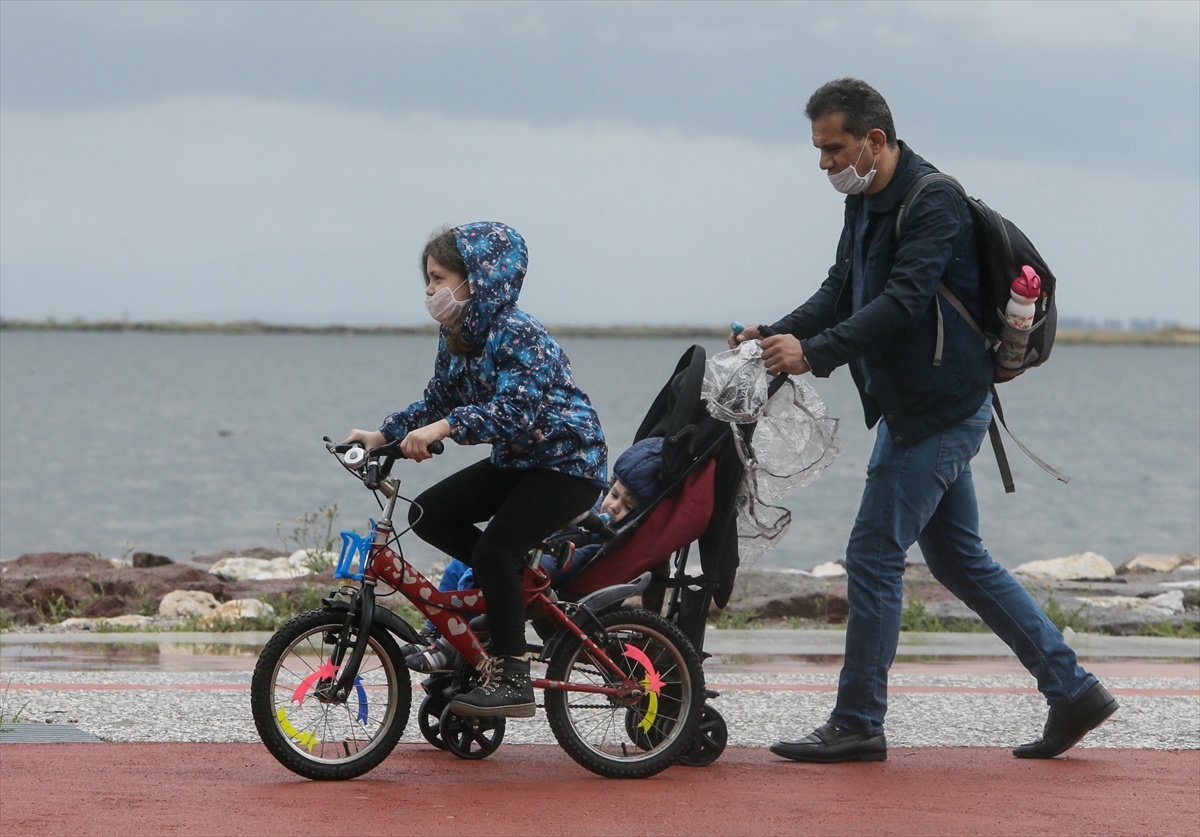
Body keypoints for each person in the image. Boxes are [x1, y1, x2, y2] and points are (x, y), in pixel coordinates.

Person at [732, 78, 1116, 763]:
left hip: (941, 410)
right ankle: (1074, 687)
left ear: (875, 141)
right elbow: (840, 291)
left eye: (834, 148)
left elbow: (905, 301)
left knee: (873, 555)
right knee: (958, 557)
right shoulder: (865, 200)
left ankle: (857, 721)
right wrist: (774, 335)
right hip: (915, 407)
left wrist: (812, 354)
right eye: (818, 149)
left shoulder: (932, 198)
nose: (824, 163)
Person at [345, 221, 607, 718]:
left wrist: (444, 429)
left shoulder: (518, 333)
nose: (428, 290)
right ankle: (508, 584)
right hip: (520, 460)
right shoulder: (457, 334)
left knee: (493, 550)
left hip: (568, 465)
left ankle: (511, 674)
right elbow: (438, 400)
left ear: (476, 279)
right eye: (426, 278)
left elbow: (515, 412)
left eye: (438, 277)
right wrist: (383, 438)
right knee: (431, 513)